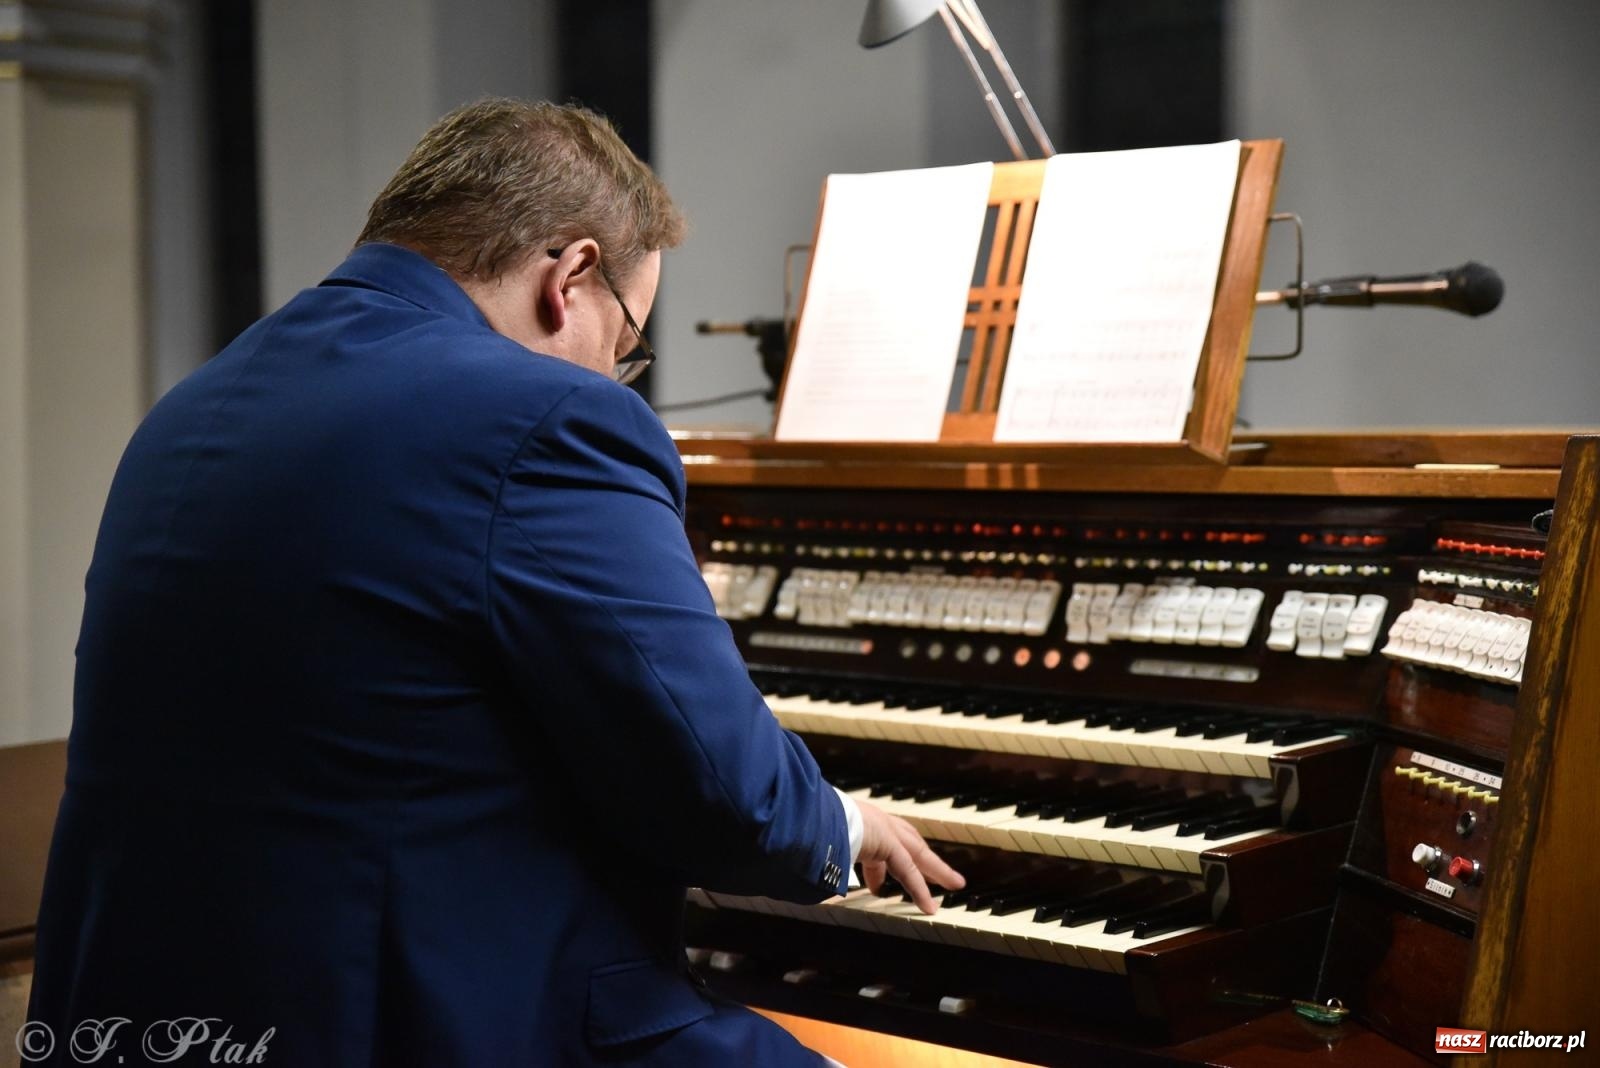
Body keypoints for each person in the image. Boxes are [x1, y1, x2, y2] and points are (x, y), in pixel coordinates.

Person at [24, 99, 962, 1066]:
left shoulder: (198, 402)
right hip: (419, 1018)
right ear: (572, 276)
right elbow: (729, 795)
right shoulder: (547, 417)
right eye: (627, 342)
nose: (617, 372)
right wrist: (846, 824)